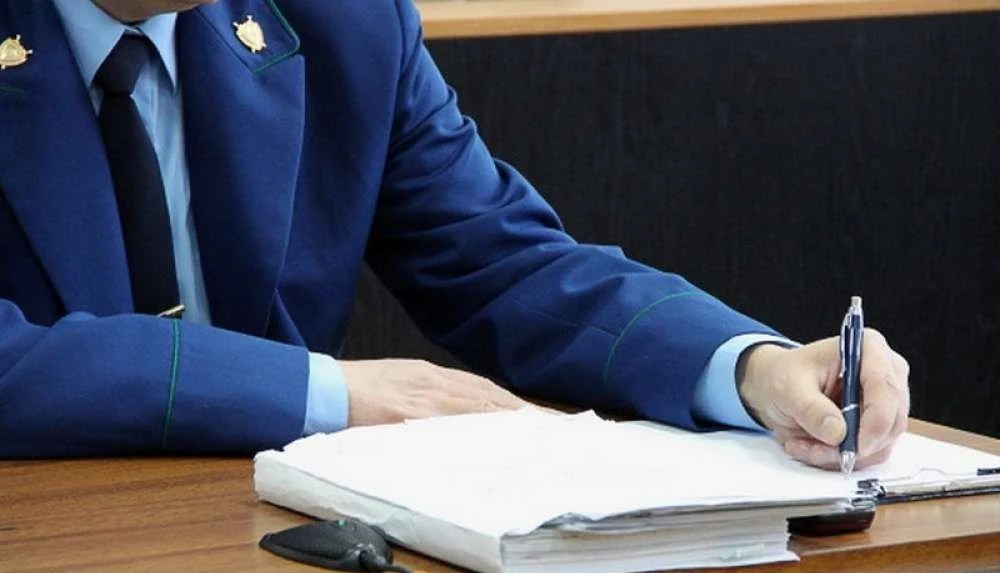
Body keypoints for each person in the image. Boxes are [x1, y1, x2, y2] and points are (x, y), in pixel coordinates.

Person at [0, 0, 908, 465]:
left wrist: (747, 368)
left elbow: (503, 261)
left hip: (268, 555)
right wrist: (322, 394)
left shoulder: (345, 22)